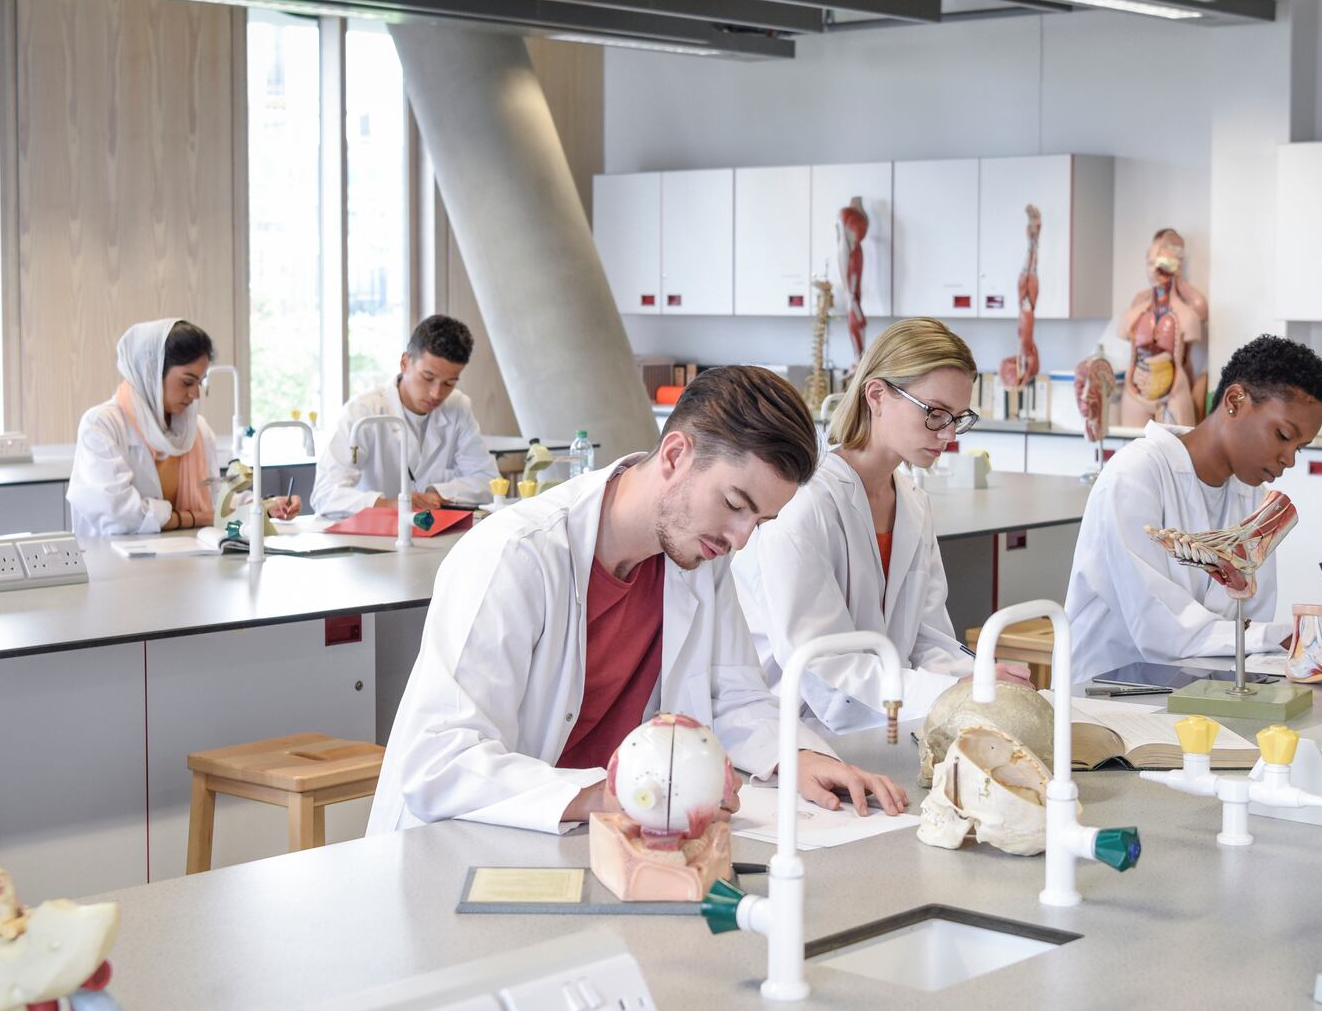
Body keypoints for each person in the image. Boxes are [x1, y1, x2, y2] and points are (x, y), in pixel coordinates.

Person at [371, 365, 909, 835]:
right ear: (676, 455)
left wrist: (798, 755)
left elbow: (732, 695)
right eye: (734, 504)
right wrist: (608, 797)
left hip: (611, 836)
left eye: (760, 521)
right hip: (470, 841)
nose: (741, 539)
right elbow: (441, 758)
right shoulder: (516, 555)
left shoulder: (699, 556)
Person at [734, 319, 1028, 732]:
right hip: (793, 731)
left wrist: (981, 679)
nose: (948, 434)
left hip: (883, 722)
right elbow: (824, 668)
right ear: (877, 395)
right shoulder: (804, 503)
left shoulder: (912, 502)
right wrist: (954, 691)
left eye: (958, 418)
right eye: (935, 413)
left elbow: (927, 638)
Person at [1065, 333, 1322, 680]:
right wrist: (1286, 634)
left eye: (1300, 448)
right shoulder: (1135, 475)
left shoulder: (1253, 496)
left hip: (1198, 686)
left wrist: (1307, 636)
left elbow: (1250, 619)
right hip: (1107, 693)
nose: (1289, 460)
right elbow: (1160, 630)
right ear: (1235, 401)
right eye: (1283, 436)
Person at [67, 318, 300, 537]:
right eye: (187, 382)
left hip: (183, 560)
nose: (195, 393)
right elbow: (118, 514)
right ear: (152, 372)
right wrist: (194, 518)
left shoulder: (197, 430)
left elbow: (214, 501)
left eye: (200, 382)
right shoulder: (102, 425)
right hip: (117, 565)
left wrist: (265, 506)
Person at [310, 314, 500, 516]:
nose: (436, 393)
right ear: (405, 362)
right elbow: (325, 494)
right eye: (428, 378)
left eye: (449, 383)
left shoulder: (458, 407)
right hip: (372, 536)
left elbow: (488, 481)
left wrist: (439, 493)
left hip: (435, 534)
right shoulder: (364, 411)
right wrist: (390, 504)